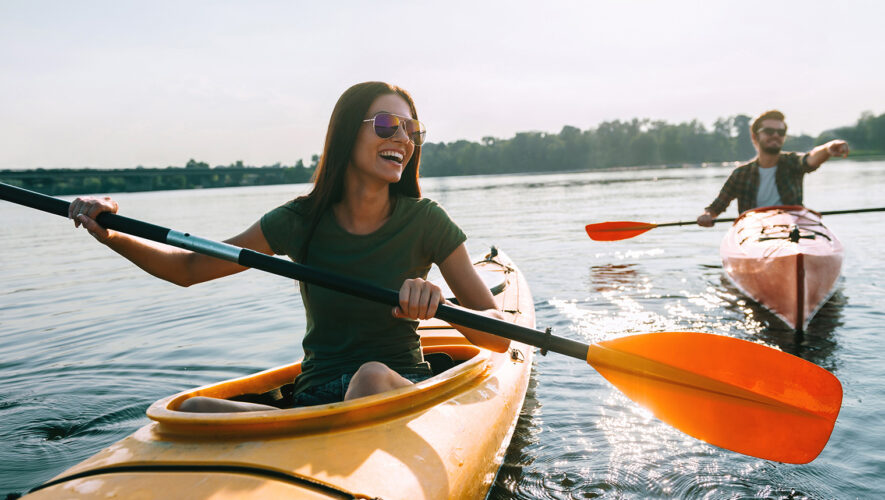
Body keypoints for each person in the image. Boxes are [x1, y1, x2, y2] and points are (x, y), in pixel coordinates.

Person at [68, 81, 510, 412]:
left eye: (412, 130)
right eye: (386, 124)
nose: (403, 138)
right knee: (190, 408)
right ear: (345, 134)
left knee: (370, 377)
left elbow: (497, 337)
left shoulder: (426, 220)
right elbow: (187, 268)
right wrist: (110, 232)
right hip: (314, 397)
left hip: (394, 387)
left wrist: (437, 304)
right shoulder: (300, 220)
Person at [697, 110, 850, 227]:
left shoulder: (792, 162)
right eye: (769, 131)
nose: (775, 135)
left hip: (793, 227)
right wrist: (707, 215)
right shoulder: (741, 174)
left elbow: (810, 159)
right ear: (755, 137)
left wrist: (828, 149)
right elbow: (716, 207)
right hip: (754, 231)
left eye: (780, 132)